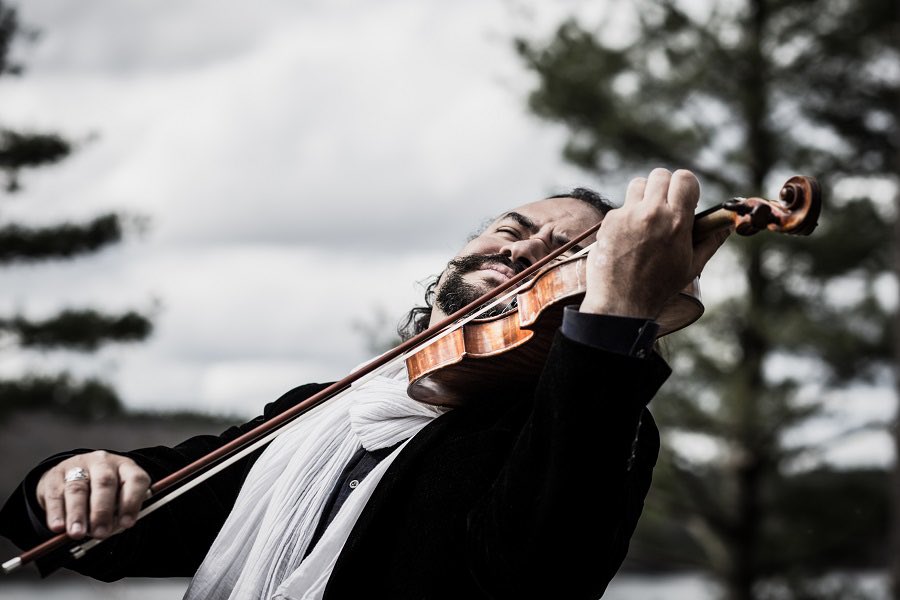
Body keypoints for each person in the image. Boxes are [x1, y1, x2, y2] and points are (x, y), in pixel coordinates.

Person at [0, 168, 729, 599]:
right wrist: (71, 480)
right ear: (450, 264)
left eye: (564, 253)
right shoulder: (324, 411)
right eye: (512, 229)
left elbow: (535, 574)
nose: (524, 247)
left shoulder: (582, 436)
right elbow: (134, 521)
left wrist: (616, 317)